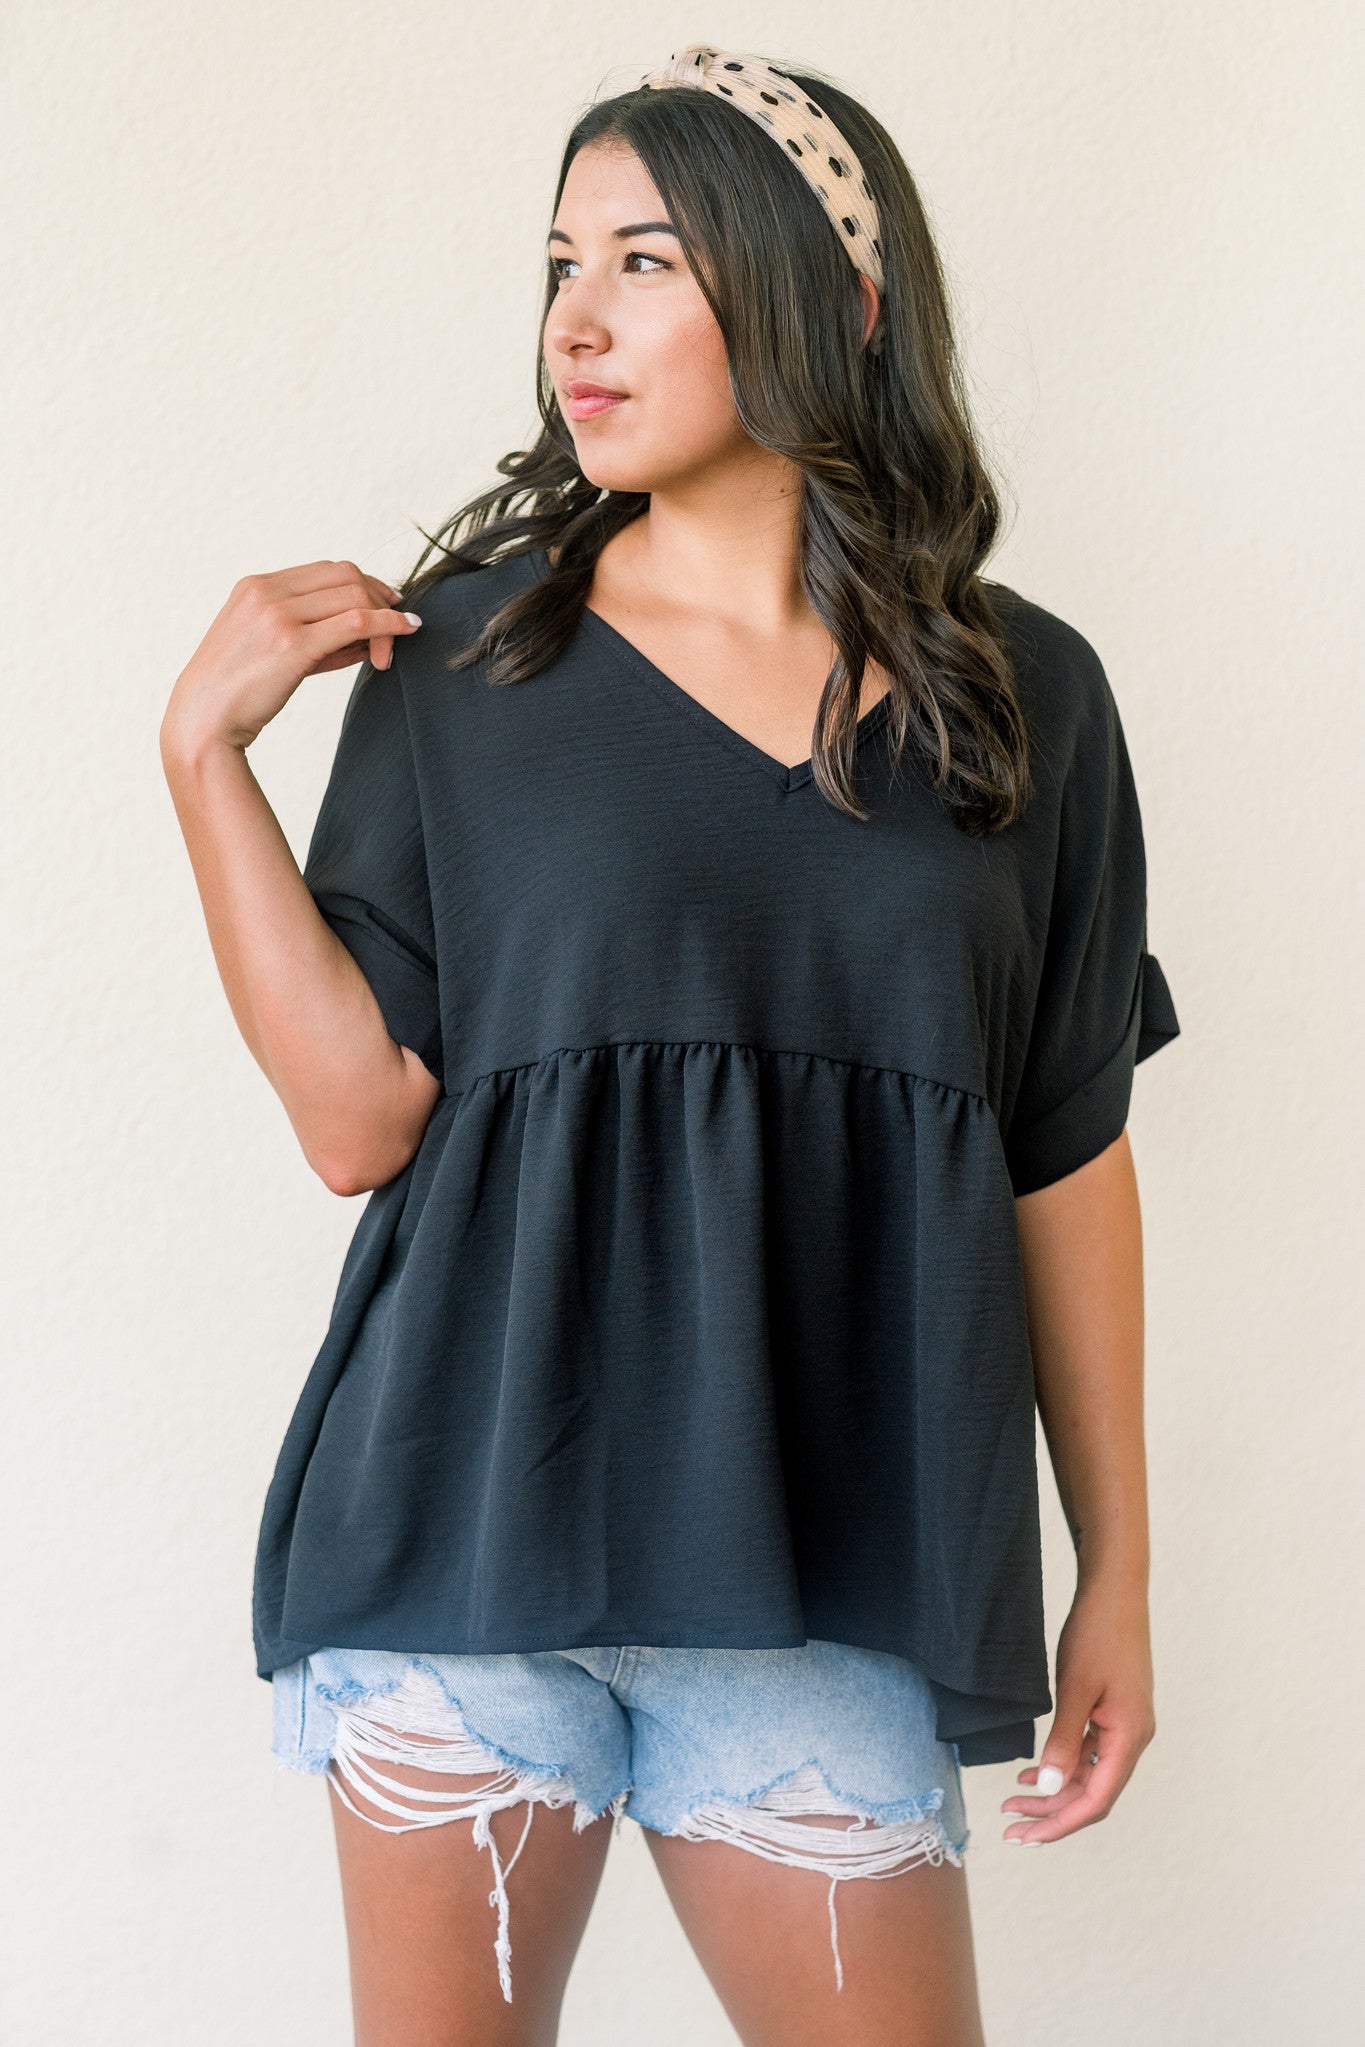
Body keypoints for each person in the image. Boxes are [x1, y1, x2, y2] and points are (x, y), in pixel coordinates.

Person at [160, 42, 1181, 2047]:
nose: (576, 318)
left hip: (825, 1563)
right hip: (464, 1539)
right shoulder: (463, 658)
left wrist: (1117, 1571)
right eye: (561, 261)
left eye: (644, 259)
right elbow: (357, 1126)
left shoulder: (1023, 700)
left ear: (837, 298)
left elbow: (1061, 1148)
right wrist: (204, 761)